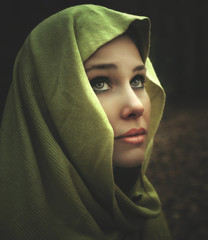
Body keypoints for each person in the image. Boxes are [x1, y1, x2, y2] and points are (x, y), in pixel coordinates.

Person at [0, 4, 171, 240]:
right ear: (45, 101)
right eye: (100, 83)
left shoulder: (142, 206)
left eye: (138, 81)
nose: (136, 106)